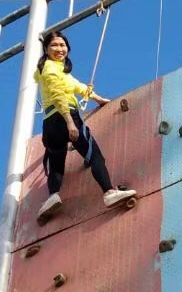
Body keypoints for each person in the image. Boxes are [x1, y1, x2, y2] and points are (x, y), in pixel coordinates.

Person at [33, 31, 136, 221]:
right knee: (94, 155)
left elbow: (77, 86)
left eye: (62, 45)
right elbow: (58, 96)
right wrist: (70, 122)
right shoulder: (51, 69)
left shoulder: (55, 70)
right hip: (65, 117)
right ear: (46, 49)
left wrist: (97, 98)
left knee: (56, 163)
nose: (59, 49)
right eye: (54, 45)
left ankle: (53, 195)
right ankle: (109, 192)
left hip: (50, 124)